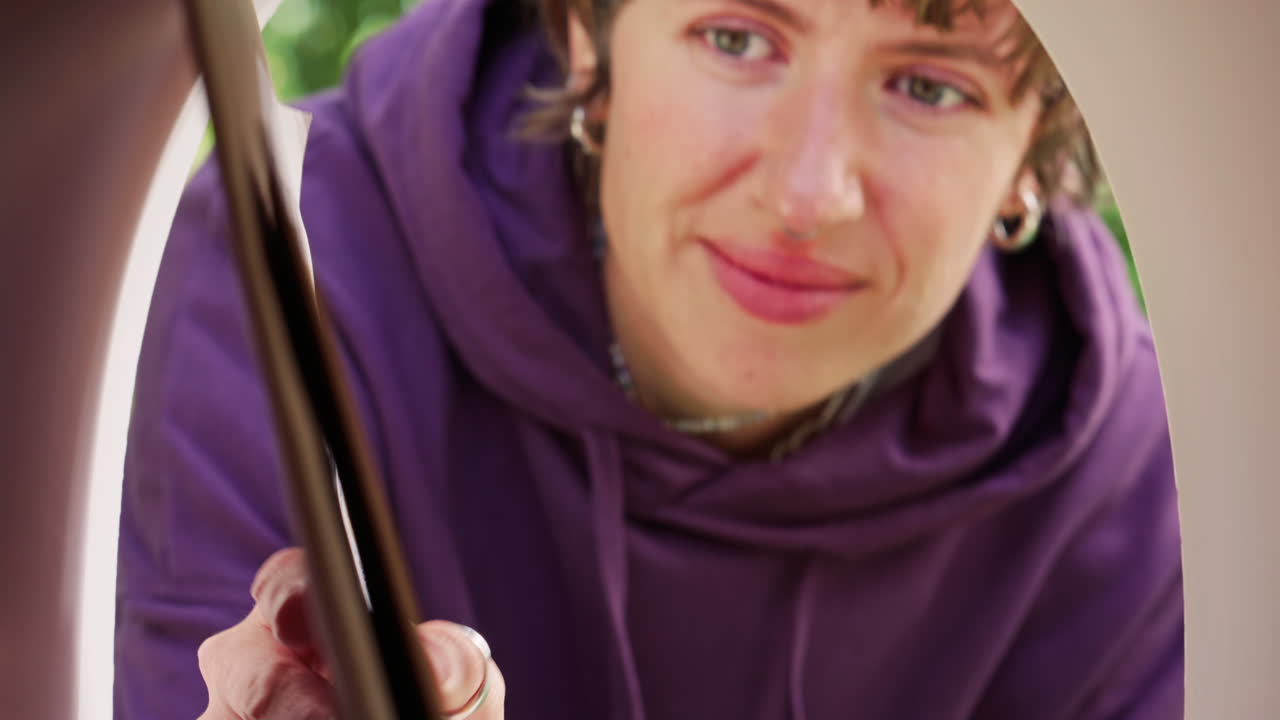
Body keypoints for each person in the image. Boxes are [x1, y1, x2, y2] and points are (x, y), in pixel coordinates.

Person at [113, 0, 1184, 717]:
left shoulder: (1122, 482)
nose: (807, 194)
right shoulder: (293, 268)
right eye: (737, 37)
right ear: (590, 37)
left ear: (1035, 149)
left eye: (931, 87)